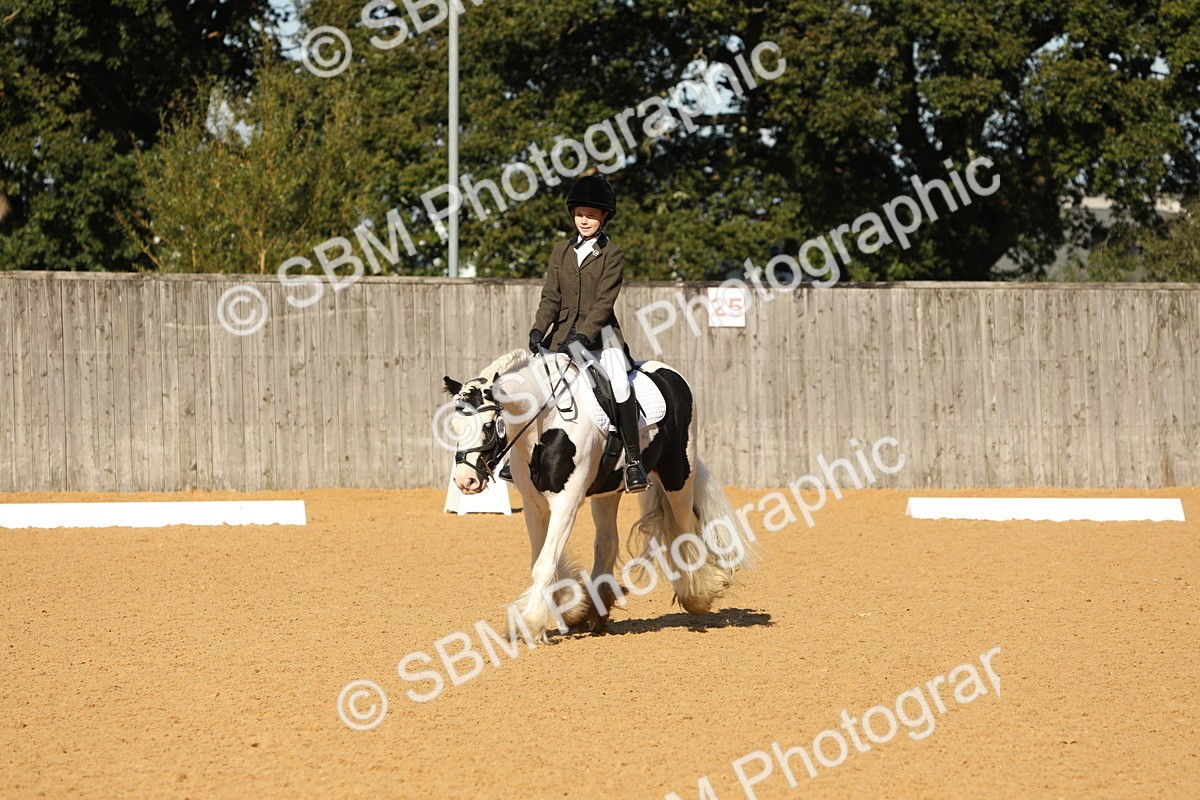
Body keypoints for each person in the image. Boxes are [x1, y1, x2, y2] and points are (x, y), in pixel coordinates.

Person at [516, 174, 649, 493]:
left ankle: (633, 462)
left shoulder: (613, 255)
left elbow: (604, 303)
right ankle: (524, 460)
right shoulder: (560, 251)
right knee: (531, 385)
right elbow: (551, 296)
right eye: (579, 214)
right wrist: (538, 328)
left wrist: (584, 336)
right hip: (560, 338)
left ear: (605, 217)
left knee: (618, 382)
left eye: (591, 214)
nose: (584, 220)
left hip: (603, 339)